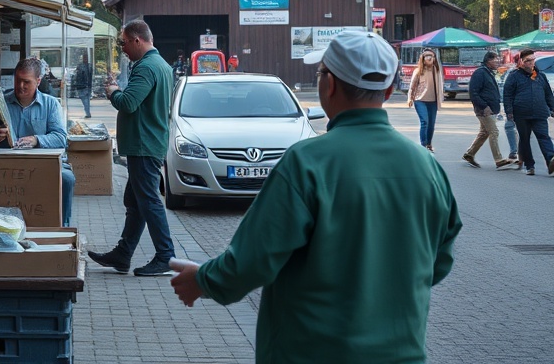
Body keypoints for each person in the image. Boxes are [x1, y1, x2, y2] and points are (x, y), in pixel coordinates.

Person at [169, 30, 462, 364]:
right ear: (387, 91)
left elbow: (254, 259)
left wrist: (203, 280)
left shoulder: (306, 162)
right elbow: (439, 262)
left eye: (320, 72)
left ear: (329, 84)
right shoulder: (427, 167)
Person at [87, 20, 176, 277]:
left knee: (148, 200)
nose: (122, 48)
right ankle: (123, 254)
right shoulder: (161, 65)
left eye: (123, 42)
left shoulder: (146, 67)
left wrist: (113, 92)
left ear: (137, 40)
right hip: (148, 143)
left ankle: (165, 256)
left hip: (143, 144)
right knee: (136, 202)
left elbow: (128, 103)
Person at [0, 57, 76, 225]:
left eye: (26, 82)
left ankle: (62, 226)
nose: (20, 86)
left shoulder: (50, 104)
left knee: (66, 179)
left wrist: (36, 140)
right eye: (17, 80)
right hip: (6, 165)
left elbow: (61, 138)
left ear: (38, 81)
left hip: (43, 164)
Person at [501, 48, 554, 176]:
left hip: (540, 112)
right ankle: (529, 166)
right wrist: (509, 112)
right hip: (521, 114)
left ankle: (551, 160)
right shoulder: (514, 76)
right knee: (524, 140)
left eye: (532, 60)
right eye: (528, 60)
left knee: (544, 137)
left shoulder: (540, 76)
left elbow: (548, 94)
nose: (531, 63)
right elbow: (507, 95)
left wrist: (552, 108)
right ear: (521, 62)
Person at [464, 51, 517, 169]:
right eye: (495, 60)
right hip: (483, 110)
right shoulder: (480, 73)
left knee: (484, 133)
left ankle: (469, 154)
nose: (498, 62)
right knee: (494, 132)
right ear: (488, 61)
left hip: (490, 108)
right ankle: (498, 159)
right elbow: (474, 93)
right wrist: (484, 106)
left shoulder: (488, 72)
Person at [407, 48, 443, 151]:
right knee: (424, 122)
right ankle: (423, 146)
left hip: (433, 101)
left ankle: (428, 144)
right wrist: (410, 98)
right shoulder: (418, 71)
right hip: (420, 100)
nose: (429, 58)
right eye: (427, 56)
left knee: (431, 124)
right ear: (422, 58)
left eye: (431, 56)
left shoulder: (436, 70)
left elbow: (440, 85)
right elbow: (412, 86)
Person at [73, 53, 94, 118]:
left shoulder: (84, 66)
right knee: (85, 100)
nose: (85, 59)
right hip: (84, 86)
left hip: (84, 86)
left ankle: (88, 113)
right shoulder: (86, 66)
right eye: (84, 58)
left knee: (85, 100)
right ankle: (87, 112)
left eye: (86, 58)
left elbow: (79, 76)